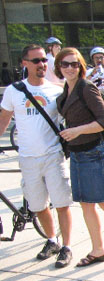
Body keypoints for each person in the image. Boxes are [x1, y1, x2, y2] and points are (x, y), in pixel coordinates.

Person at [0, 44, 73, 267]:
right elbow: (4, 118)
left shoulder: (56, 90)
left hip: (52, 155)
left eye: (43, 60)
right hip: (28, 158)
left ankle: (66, 246)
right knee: (38, 205)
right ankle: (52, 240)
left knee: (62, 203)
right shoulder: (14, 91)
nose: (42, 64)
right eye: (36, 61)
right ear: (24, 64)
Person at [55, 47, 104, 268]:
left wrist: (78, 130)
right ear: (58, 67)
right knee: (87, 205)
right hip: (78, 154)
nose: (70, 68)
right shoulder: (67, 89)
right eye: (65, 64)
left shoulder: (86, 88)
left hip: (92, 152)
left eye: (74, 64)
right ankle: (98, 249)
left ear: (81, 66)